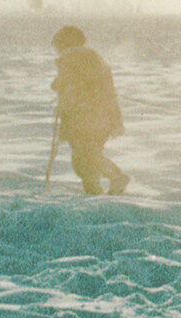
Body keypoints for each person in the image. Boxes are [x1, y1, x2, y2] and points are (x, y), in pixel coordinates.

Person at [50, 25, 128, 195]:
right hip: (101, 116)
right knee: (85, 155)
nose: (56, 49)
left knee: (86, 156)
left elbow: (71, 85)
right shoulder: (89, 57)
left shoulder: (72, 58)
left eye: (57, 45)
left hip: (86, 118)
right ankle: (93, 189)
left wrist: (59, 86)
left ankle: (115, 177)